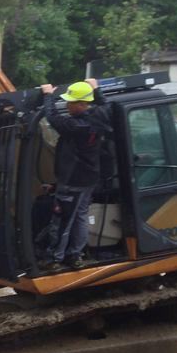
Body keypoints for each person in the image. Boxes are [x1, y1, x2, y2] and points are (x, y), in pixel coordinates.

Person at [39, 79, 111, 270]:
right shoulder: (101, 115)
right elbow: (104, 104)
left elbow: (53, 118)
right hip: (88, 179)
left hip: (73, 181)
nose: (68, 106)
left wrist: (48, 95)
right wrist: (97, 88)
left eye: (71, 103)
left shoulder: (77, 126)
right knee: (80, 217)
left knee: (62, 219)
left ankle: (55, 258)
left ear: (82, 104)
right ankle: (75, 255)